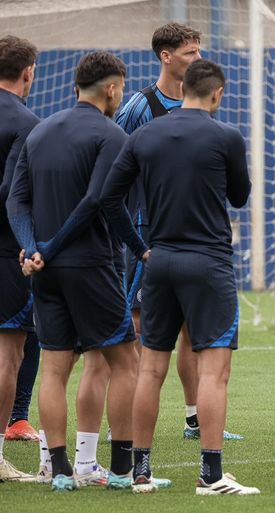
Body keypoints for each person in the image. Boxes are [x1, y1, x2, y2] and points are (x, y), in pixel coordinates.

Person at [101, 59, 258, 495]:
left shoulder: (145, 133)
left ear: (183, 86)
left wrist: (139, 249)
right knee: (214, 371)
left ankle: (141, 472)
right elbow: (241, 197)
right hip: (208, 263)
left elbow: (108, 199)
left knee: (150, 370)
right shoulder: (226, 135)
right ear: (217, 93)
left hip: (160, 261)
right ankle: (210, 475)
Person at [6, 51, 142, 491]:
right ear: (111, 88)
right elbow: (98, 201)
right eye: (120, 87)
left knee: (54, 368)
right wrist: (50, 247)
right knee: (124, 361)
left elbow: (16, 200)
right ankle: (121, 471)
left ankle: (61, 472)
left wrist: (32, 249)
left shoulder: (40, 129)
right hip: (91, 265)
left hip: (43, 271)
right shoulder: (112, 133)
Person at [115, 23, 241, 441]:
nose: (197, 58)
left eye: (199, 51)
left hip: (186, 244)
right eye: (189, 52)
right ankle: (128, 435)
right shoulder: (138, 108)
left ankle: (194, 419)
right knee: (138, 333)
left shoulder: (206, 109)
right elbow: (115, 173)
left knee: (193, 332)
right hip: (147, 237)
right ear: (166, 56)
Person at [0, 34, 39, 482]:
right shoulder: (27, 122)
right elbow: (12, 195)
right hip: (4, 252)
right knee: (8, 355)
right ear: (28, 72)